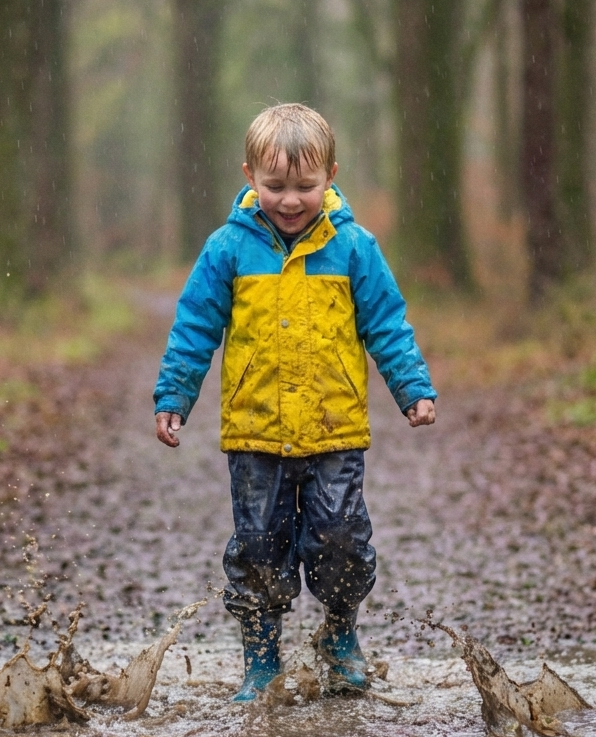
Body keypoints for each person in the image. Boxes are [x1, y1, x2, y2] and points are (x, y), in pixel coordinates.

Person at [153, 104, 436, 701]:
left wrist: (412, 389)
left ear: (331, 176)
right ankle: (261, 656)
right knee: (259, 545)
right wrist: (175, 397)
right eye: (275, 185)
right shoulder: (228, 248)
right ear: (249, 174)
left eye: (305, 186)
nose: (289, 200)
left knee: (340, 538)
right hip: (255, 433)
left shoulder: (354, 247)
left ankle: (339, 632)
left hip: (335, 430)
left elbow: (387, 322)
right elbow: (195, 326)